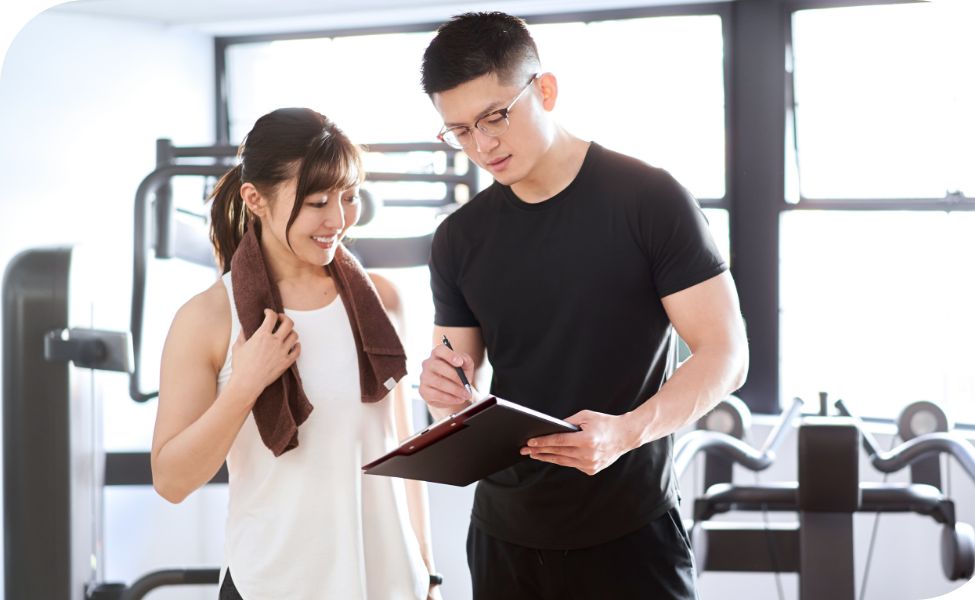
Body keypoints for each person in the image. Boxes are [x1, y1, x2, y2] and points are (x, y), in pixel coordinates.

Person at [417, 12, 749, 600]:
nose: (483, 144)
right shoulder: (459, 238)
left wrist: (624, 433)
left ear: (544, 89)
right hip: (503, 538)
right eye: (460, 131)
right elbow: (457, 378)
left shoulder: (649, 200)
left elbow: (725, 355)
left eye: (495, 116)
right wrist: (442, 388)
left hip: (630, 533)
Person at [151, 107, 440, 600]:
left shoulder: (382, 302)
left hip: (390, 585)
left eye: (348, 198)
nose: (337, 220)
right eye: (316, 202)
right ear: (254, 199)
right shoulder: (209, 319)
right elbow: (172, 481)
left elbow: (403, 450)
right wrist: (244, 384)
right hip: (272, 586)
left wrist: (429, 575)